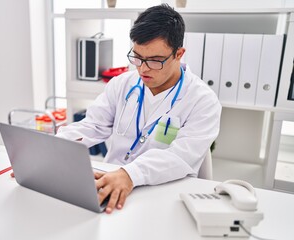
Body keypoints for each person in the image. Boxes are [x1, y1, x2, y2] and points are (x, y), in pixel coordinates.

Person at [56, 4, 221, 214]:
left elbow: (180, 157)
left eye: (154, 61)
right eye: (137, 57)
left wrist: (130, 174)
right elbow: (92, 125)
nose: (142, 68)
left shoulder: (203, 101)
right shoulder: (122, 84)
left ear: (179, 53)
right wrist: (54, 148)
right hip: (113, 181)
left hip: (165, 193)